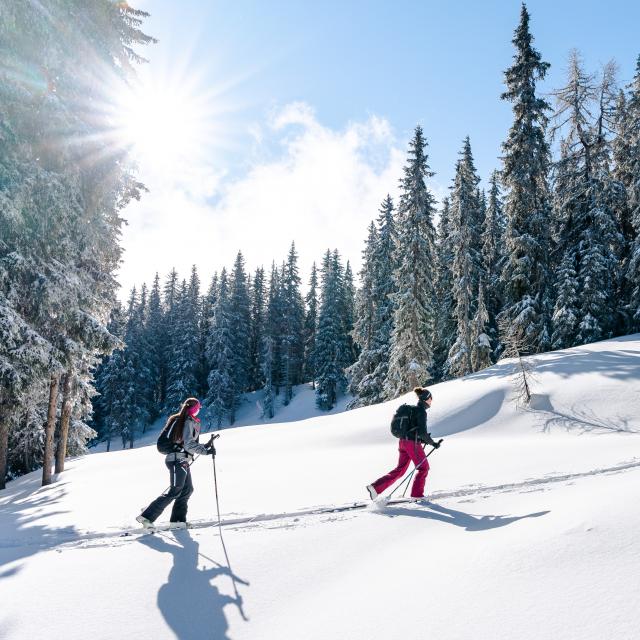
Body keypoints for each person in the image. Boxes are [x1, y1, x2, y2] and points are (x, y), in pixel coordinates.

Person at [137, 397, 215, 528]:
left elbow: (186, 443)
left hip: (182, 459)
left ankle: (177, 521)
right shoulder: (187, 421)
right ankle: (146, 517)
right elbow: (189, 444)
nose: (199, 410)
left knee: (187, 490)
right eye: (198, 408)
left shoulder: (189, 421)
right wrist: (205, 451)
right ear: (195, 408)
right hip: (177, 459)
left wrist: (205, 447)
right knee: (175, 490)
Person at [366, 386, 441, 501]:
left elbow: (415, 431)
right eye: (431, 399)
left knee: (400, 470)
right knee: (424, 468)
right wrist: (433, 443)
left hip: (403, 442)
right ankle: (417, 495)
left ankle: (375, 488)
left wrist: (422, 439)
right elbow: (422, 432)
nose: (431, 401)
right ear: (426, 399)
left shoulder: (413, 410)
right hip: (411, 444)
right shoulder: (421, 411)